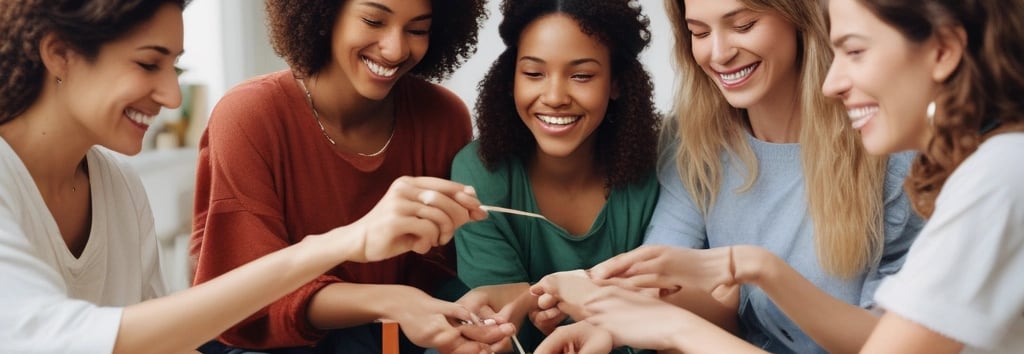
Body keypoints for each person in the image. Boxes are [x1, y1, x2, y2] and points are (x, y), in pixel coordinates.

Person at [532, 0, 1024, 353]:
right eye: (699, 32)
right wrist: (609, 312)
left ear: (943, 52)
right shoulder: (997, 165)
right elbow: (683, 283)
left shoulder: (994, 174)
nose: (834, 80)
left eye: (854, 51)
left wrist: (674, 326)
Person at [0, 1, 489, 353]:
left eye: (175, 67)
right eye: (149, 63)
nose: (173, 97)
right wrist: (348, 242)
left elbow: (162, 341)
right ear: (59, 54)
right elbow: (68, 338)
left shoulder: (118, 185)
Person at [189, 0, 512, 353]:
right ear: (323, 14)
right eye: (373, 21)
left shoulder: (443, 117)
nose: (395, 49)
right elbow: (245, 298)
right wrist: (388, 301)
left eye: (417, 30)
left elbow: (436, 272)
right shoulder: (249, 116)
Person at [449, 0, 661, 352]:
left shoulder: (657, 171)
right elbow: (500, 328)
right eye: (534, 73)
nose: (554, 97)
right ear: (510, 77)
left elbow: (665, 315)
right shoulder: (478, 174)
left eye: (581, 75)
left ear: (616, 83)